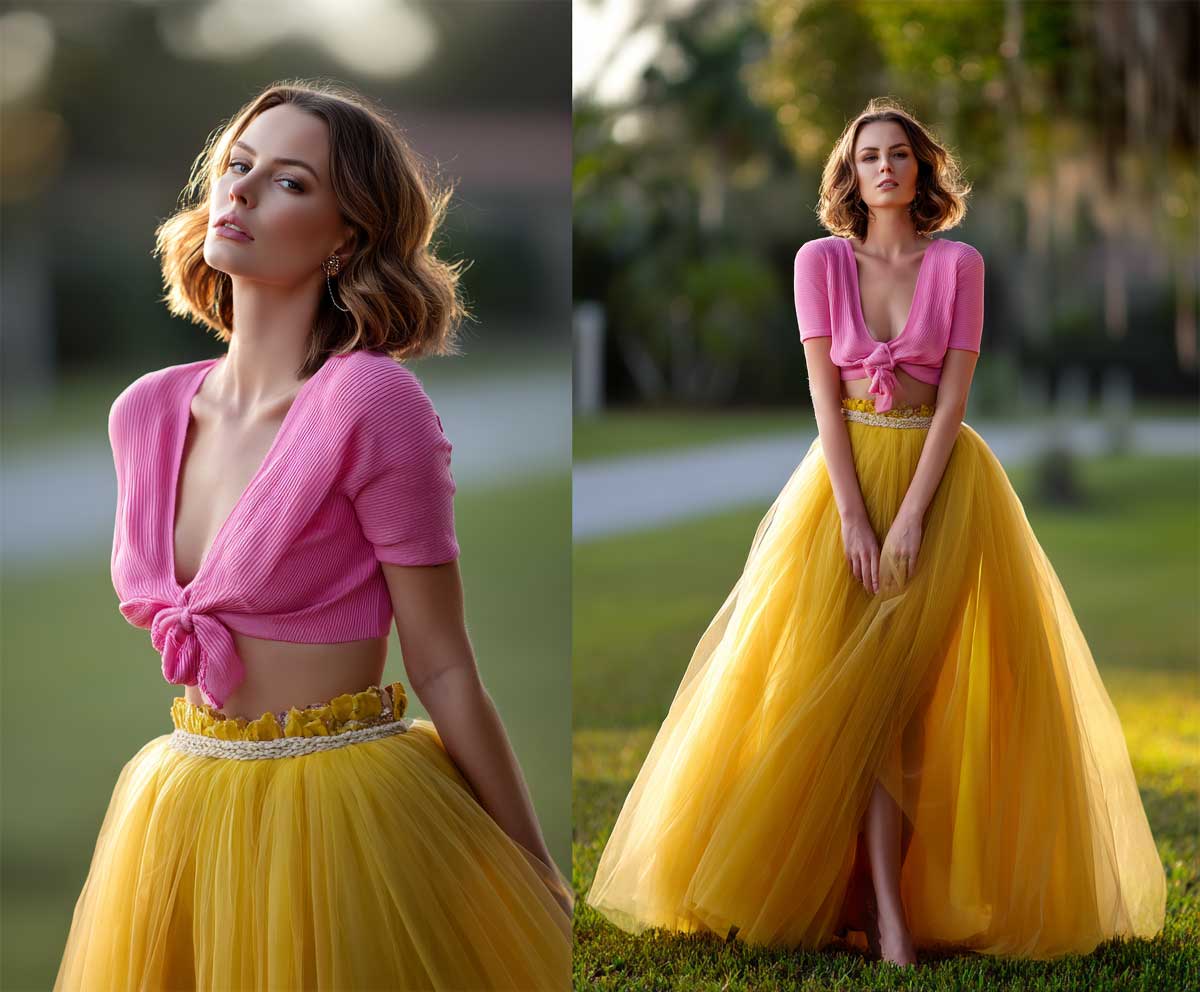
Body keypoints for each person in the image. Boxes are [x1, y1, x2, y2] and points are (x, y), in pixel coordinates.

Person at [584, 99, 1166, 967]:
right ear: (849, 176)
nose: (885, 168)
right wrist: (857, 518)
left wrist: (911, 521)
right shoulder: (818, 261)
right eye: (868, 158)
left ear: (923, 170)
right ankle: (875, 911)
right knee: (840, 701)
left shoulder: (960, 265)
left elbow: (954, 402)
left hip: (943, 488)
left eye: (900, 155)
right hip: (840, 489)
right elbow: (826, 395)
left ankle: (894, 906)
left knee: (905, 706)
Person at [54, 80, 572, 991]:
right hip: (183, 802)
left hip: (346, 811)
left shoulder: (371, 401)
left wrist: (535, 877)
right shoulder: (144, 410)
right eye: (236, 166)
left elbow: (444, 665)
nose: (242, 193)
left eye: (289, 182)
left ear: (347, 235)